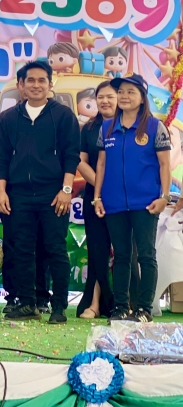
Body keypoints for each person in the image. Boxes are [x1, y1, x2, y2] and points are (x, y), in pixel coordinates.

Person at [0, 60, 79, 324]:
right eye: (30, 80)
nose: (36, 85)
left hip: (53, 194)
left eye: (42, 80)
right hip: (18, 195)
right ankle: (27, 304)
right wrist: (1, 191)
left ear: (50, 84)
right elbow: (1, 158)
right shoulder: (8, 118)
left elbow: (71, 156)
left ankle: (59, 307)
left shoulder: (63, 116)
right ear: (21, 85)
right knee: (21, 250)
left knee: (55, 249)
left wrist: (66, 190)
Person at [94, 75, 171, 323]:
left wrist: (164, 197)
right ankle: (120, 308)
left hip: (146, 203)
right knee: (121, 256)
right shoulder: (106, 127)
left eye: (131, 92)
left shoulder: (154, 127)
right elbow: (101, 164)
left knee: (146, 256)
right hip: (114, 202)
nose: (124, 96)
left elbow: (164, 165)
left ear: (142, 97)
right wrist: (97, 197)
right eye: (121, 92)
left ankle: (144, 309)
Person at [76, 80, 117, 319]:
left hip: (124, 199)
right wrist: (100, 189)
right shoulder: (89, 128)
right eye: (100, 97)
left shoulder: (129, 127)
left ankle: (125, 303)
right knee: (97, 252)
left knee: (124, 254)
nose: (105, 101)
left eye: (110, 96)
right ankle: (94, 303)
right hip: (94, 197)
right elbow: (80, 161)